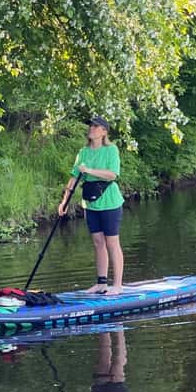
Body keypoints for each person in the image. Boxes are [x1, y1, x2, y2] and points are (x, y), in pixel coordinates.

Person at [58, 116, 125, 295]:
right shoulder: (83, 152)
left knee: (112, 242)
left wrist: (89, 171)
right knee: (97, 242)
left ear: (104, 131)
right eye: (91, 126)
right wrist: (64, 202)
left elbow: (112, 175)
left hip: (110, 202)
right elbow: (73, 178)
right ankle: (101, 283)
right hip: (90, 203)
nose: (92, 129)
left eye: (96, 127)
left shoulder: (111, 150)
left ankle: (117, 285)